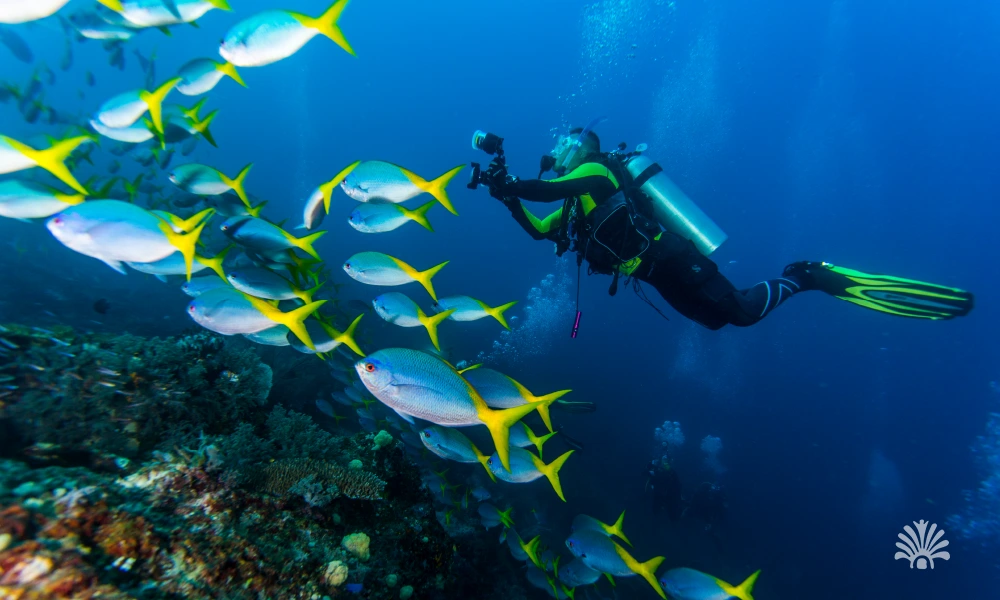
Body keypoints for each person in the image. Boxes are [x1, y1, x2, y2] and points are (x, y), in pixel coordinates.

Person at [476, 128, 974, 329]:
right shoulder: (571, 202)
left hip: (669, 256)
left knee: (739, 311)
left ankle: (808, 275)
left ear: (582, 148)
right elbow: (541, 231)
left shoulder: (597, 174)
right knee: (720, 322)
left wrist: (513, 184)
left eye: (566, 143)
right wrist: (506, 200)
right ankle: (800, 278)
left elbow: (547, 191)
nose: (558, 151)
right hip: (650, 274)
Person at [646, 457, 683, 522]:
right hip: (661, 494)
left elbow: (676, 484)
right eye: (664, 461)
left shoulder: (671, 473)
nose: (665, 464)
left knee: (670, 510)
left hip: (668, 495)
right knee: (656, 509)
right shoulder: (658, 471)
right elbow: (648, 474)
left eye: (666, 462)